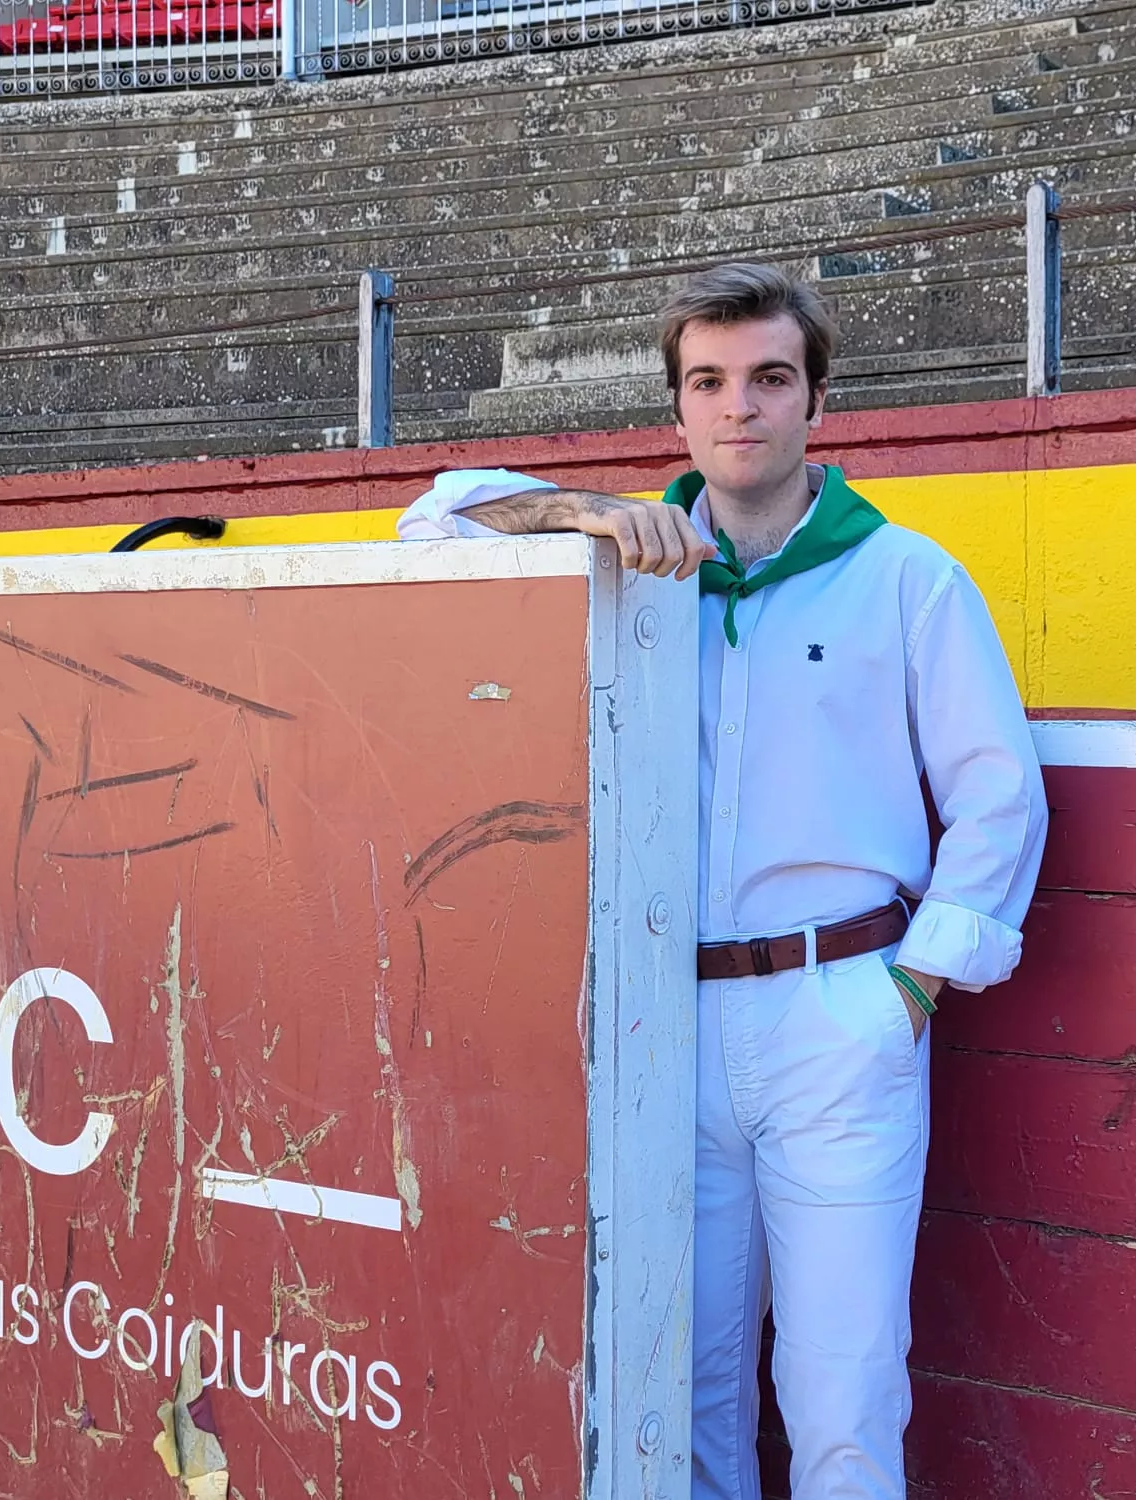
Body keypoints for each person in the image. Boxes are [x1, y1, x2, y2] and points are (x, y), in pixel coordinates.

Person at [395, 263, 1047, 1500]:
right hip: (664, 1023)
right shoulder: (623, 561)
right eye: (707, 383)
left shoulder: (905, 578)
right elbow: (429, 523)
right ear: (678, 411)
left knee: (842, 1389)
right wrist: (581, 510)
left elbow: (996, 795)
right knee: (673, 1378)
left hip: (837, 1013)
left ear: (815, 403)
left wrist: (906, 994)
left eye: (766, 379)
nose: (737, 407)